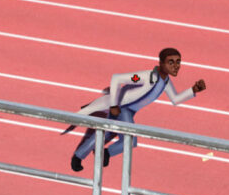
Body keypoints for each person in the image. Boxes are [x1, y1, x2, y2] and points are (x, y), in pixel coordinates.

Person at [64, 48, 207, 172]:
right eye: (171, 62)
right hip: (123, 108)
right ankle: (103, 154)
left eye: (178, 62)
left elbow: (175, 99)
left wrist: (193, 90)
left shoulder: (166, 82)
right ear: (161, 63)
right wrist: (114, 105)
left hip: (130, 111)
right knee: (130, 140)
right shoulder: (146, 77)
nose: (176, 66)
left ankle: (79, 156)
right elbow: (117, 79)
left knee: (105, 134)